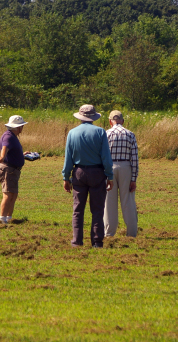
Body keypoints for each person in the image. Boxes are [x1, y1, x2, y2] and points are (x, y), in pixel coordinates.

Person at [62, 105, 114, 248]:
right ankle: (97, 241)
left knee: (78, 209)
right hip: (97, 173)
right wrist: (110, 175)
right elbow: (106, 157)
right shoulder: (100, 132)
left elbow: (68, 159)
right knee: (97, 209)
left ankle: (77, 241)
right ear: (93, 117)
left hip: (78, 172)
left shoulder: (72, 133)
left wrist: (66, 177)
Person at [104, 110, 139, 237]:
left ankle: (109, 233)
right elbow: (134, 159)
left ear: (110, 121)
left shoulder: (105, 134)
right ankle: (131, 233)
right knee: (128, 201)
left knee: (109, 202)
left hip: (110, 167)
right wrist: (134, 178)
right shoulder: (130, 134)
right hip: (126, 167)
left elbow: (102, 156)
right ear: (123, 121)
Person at [0, 115, 30, 224]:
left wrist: (22, 154)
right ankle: (2, 220)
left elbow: (11, 149)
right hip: (8, 170)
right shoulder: (9, 136)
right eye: (22, 126)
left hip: (14, 170)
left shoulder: (12, 136)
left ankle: (9, 218)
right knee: (8, 194)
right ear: (18, 127)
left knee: (13, 195)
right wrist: (2, 156)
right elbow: (5, 147)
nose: (22, 129)